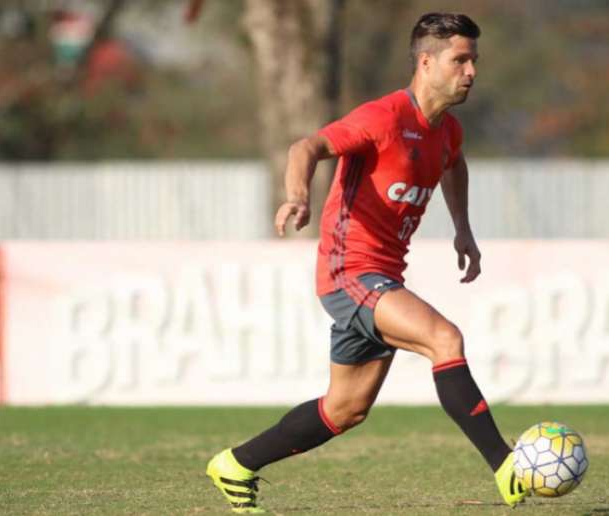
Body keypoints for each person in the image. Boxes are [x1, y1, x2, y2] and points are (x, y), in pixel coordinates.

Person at [206, 12, 528, 513]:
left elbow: (454, 163)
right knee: (445, 340)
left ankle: (235, 464)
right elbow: (306, 146)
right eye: (460, 60)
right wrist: (298, 196)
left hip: (380, 276)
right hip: (348, 271)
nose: (471, 72)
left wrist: (462, 227)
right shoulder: (384, 118)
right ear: (426, 62)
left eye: (474, 61)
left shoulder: (448, 132)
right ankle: (505, 466)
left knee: (345, 409)